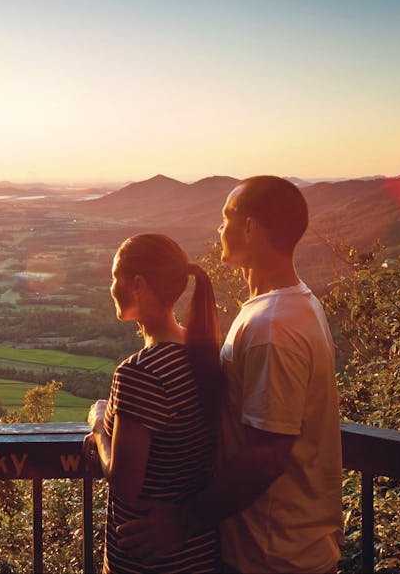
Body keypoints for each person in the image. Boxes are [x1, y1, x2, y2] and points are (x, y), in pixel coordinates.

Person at [118, 176, 343, 573]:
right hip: (287, 549)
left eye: (226, 219)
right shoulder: (296, 306)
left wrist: (181, 521)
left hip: (272, 556)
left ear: (251, 229)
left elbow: (267, 456)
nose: (219, 229)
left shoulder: (272, 326)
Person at [84, 233, 223, 574]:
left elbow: (124, 485)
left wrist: (100, 427)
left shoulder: (139, 373)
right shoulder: (203, 353)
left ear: (138, 285)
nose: (111, 287)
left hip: (146, 559)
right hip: (199, 553)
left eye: (114, 278)